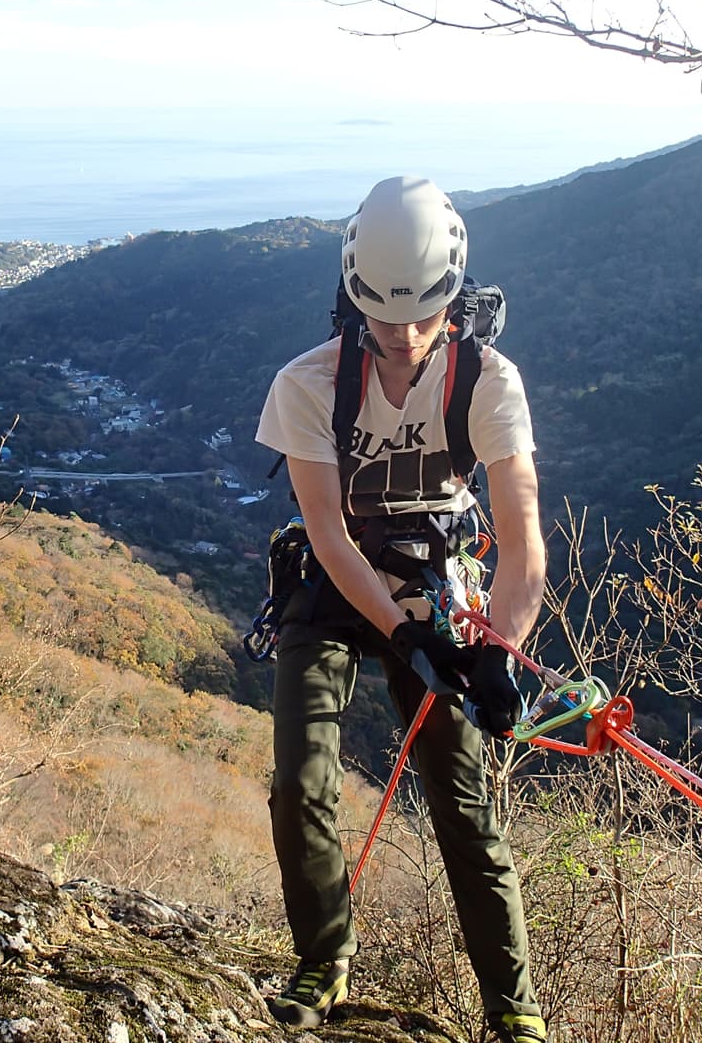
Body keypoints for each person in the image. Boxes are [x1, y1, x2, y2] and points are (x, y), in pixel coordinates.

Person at [254, 175, 547, 1042]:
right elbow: (332, 536)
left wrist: (497, 651)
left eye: (424, 315)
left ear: (453, 298)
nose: (406, 336)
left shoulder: (488, 382)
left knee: (461, 802)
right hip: (338, 588)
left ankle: (515, 1007)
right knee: (300, 781)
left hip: (437, 587)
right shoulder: (308, 385)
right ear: (353, 297)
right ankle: (323, 960)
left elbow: (525, 541)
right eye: (385, 318)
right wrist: (405, 635)